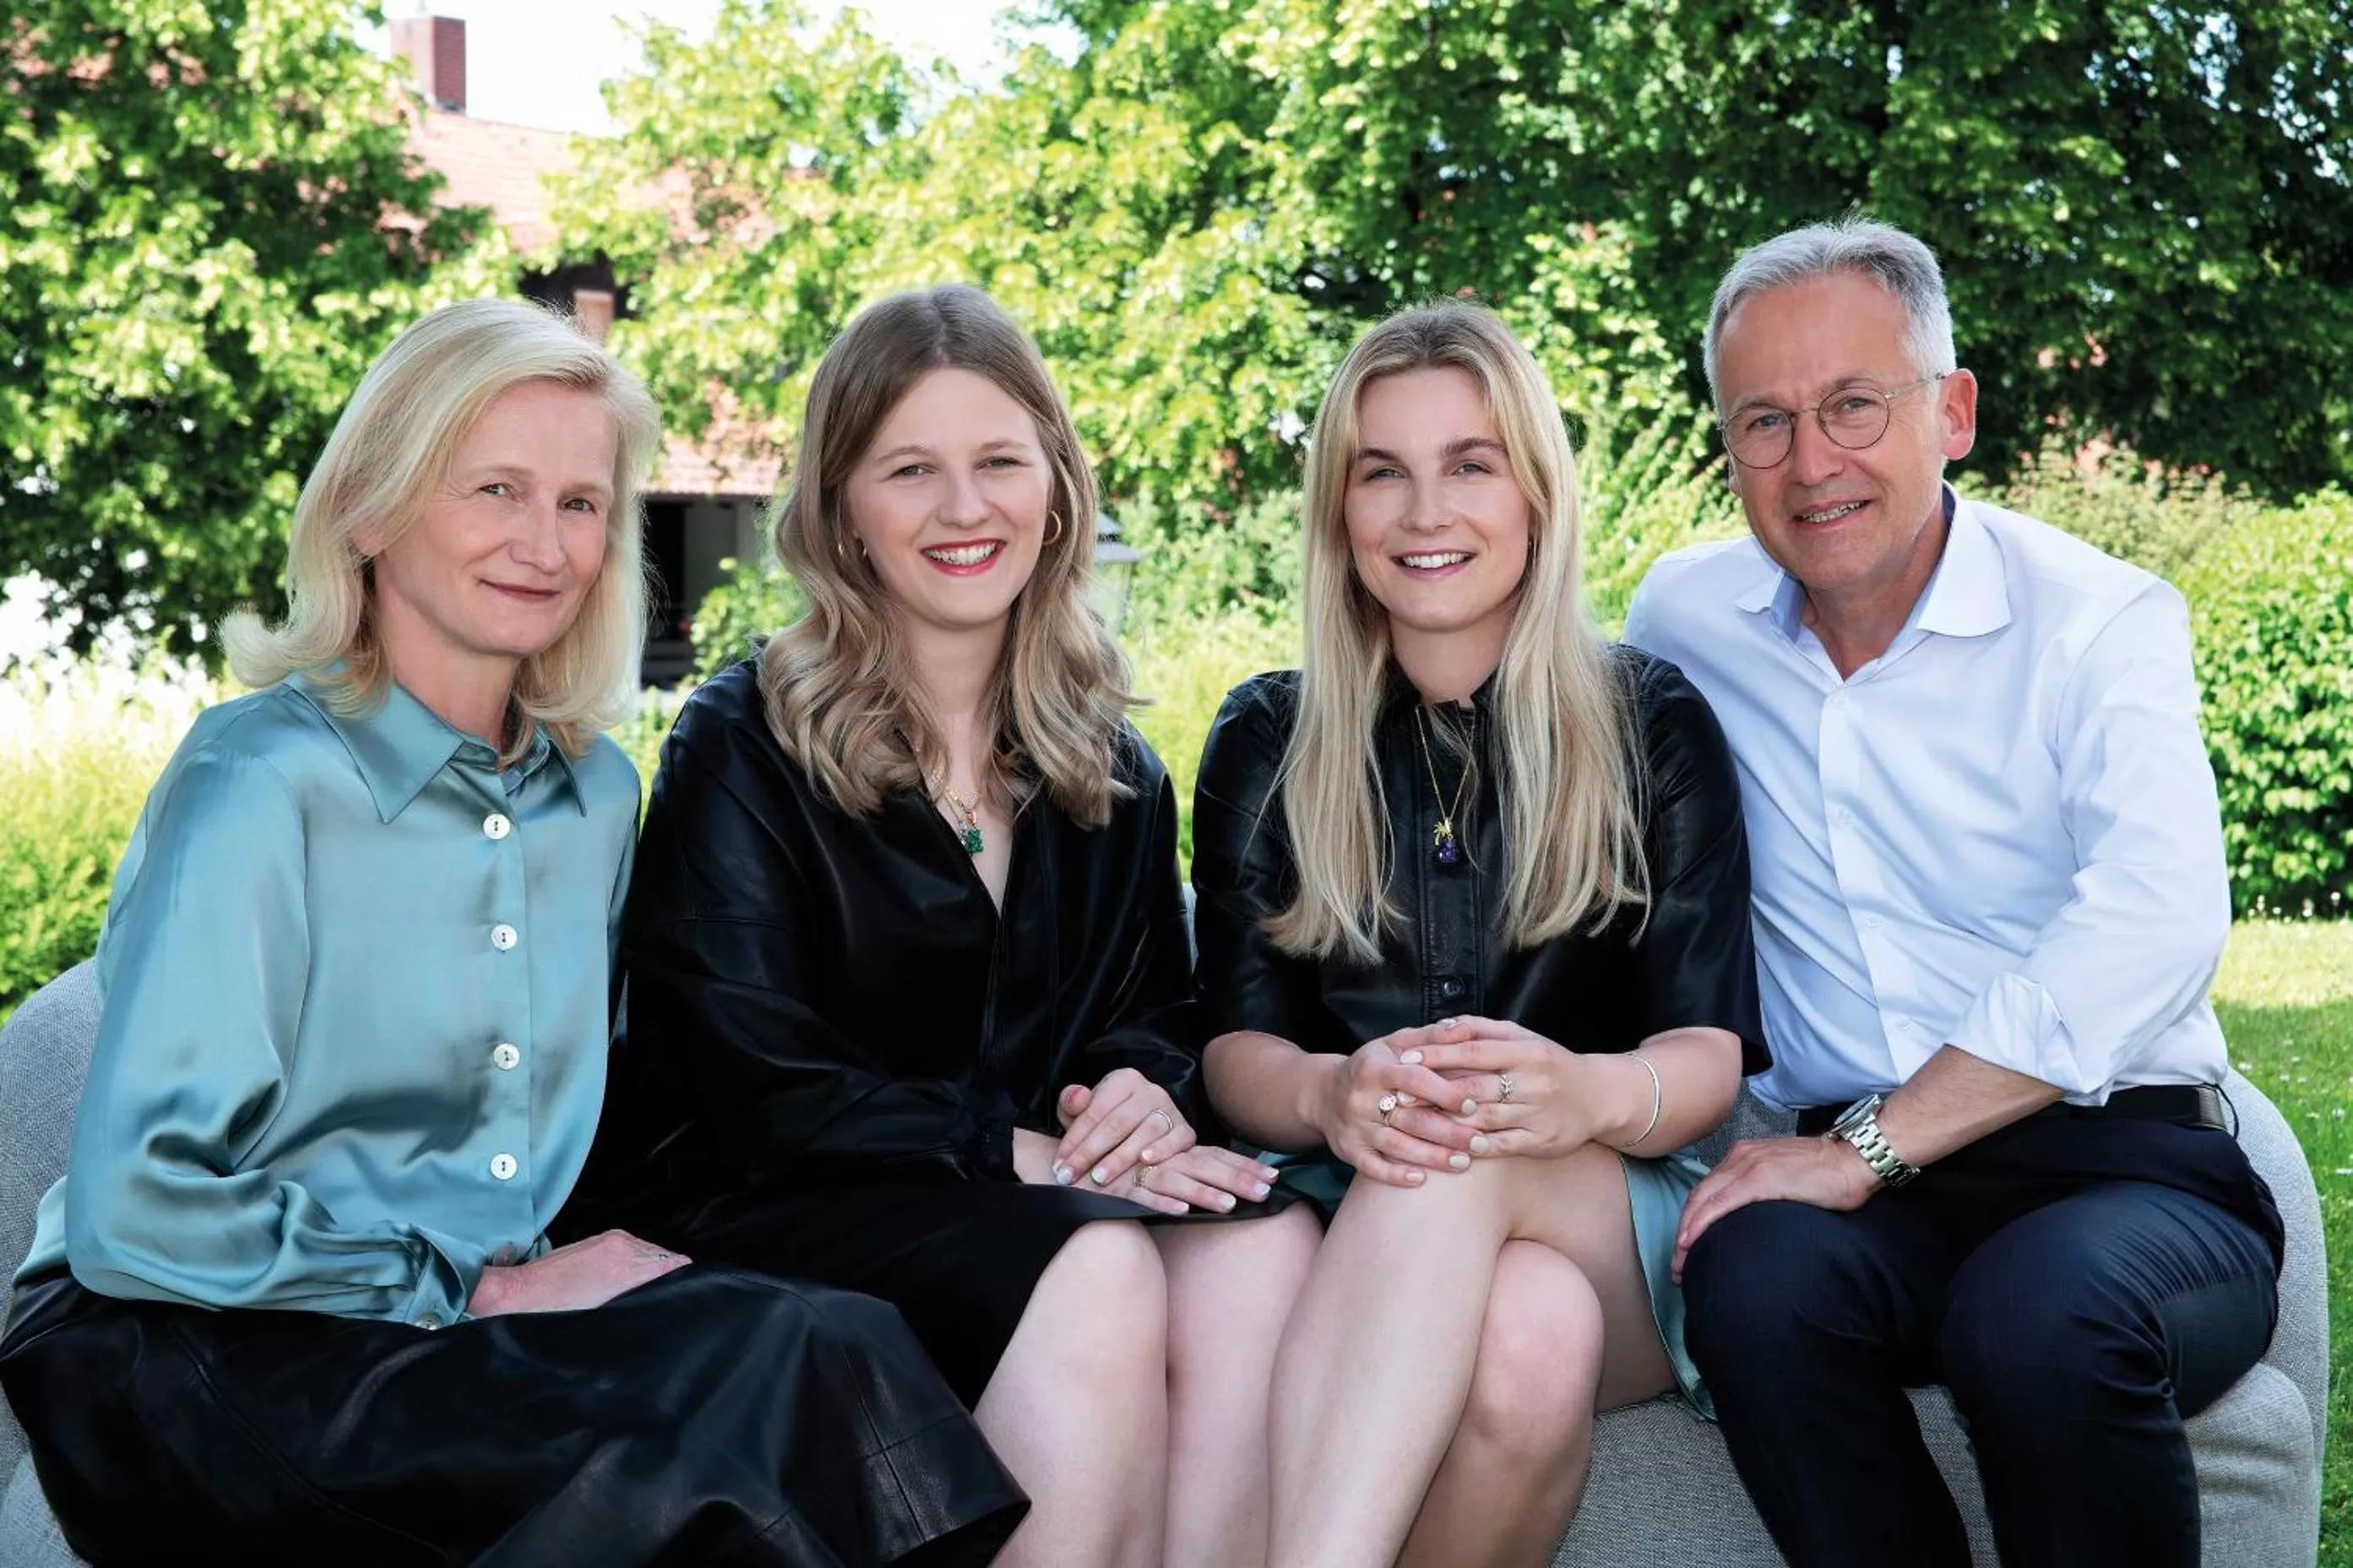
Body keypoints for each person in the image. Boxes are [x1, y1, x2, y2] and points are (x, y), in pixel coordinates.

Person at [0, 300, 1024, 1566]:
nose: (546, 544)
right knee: (690, 1441)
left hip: (451, 1337)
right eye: (494, 488)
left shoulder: (592, 799)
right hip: (194, 1341)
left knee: (838, 1333)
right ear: (370, 510)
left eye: (582, 503)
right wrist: (478, 1289)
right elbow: (136, 1209)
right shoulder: (260, 779)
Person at [568, 284, 1322, 1568]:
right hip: (772, 1206)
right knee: (1097, 1271)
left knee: (1263, 1245)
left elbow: (1153, 1012)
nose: (964, 508)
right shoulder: (743, 739)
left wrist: (1140, 1094)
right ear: (844, 512)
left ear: (1055, 488)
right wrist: (1020, 1153)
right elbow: (754, 1081)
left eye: (997, 463)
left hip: (1014, 1205)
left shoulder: (1113, 765)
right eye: (910, 469)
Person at [1622, 216, 2285, 1568]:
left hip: (2126, 1166)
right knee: (1749, 1284)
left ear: (1953, 412)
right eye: (1763, 421)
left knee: (2035, 1314)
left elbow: (2155, 920)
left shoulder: (2097, 620)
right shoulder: (1681, 624)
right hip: (1855, 1197)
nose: (1812, 464)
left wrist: (1868, 1146)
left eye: (1853, 405)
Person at [1190, 300, 1769, 1568]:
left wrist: (1581, 1094)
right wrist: (1336, 1090)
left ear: (1535, 497)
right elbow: (1235, 1054)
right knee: (1527, 1338)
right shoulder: (1268, 736)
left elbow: (1707, 1060)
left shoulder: (1647, 721)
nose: (1424, 512)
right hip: (1346, 1200)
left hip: (1599, 1197)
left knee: (1463, 1151)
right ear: (1339, 515)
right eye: (1380, 473)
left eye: (1469, 464)